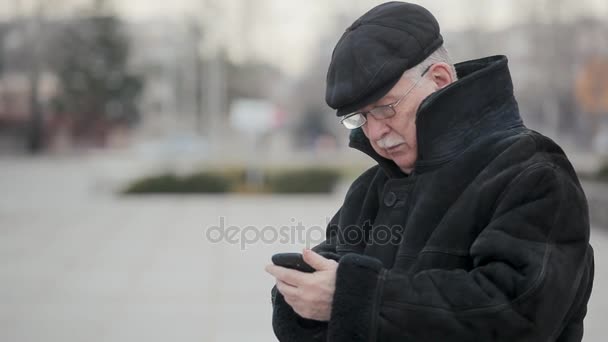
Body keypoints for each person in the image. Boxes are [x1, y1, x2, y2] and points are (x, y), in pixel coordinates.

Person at [265, 2, 595, 341]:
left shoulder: (533, 170)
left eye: (384, 108)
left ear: (439, 79)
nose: (375, 132)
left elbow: (517, 313)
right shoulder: (369, 190)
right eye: (360, 118)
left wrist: (357, 299)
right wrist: (301, 298)